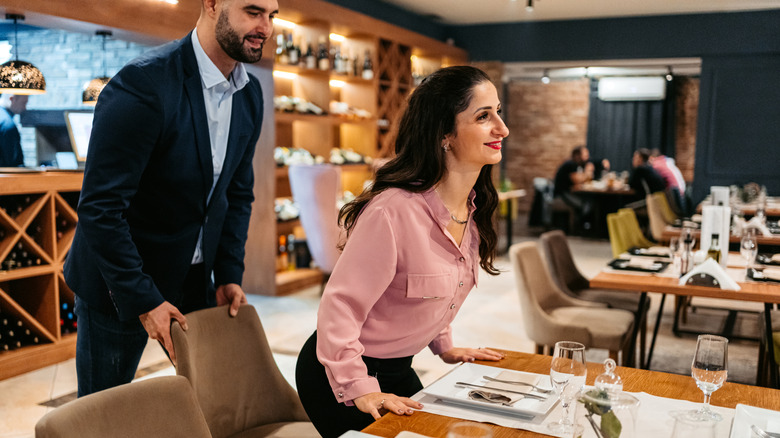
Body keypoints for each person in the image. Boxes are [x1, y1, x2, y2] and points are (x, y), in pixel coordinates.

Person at [63, 0, 277, 397]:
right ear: (212, 4)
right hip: (120, 279)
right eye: (253, 11)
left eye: (272, 15)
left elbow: (236, 193)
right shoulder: (143, 84)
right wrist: (145, 299)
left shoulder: (250, 96)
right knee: (101, 414)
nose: (265, 27)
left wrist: (229, 273)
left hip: (194, 278)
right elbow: (100, 208)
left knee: (211, 401)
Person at [295, 66, 508, 438]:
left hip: (396, 367)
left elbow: (429, 291)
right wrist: (359, 388)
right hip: (341, 375)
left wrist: (444, 345)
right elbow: (340, 305)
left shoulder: (472, 209)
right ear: (445, 133)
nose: (501, 129)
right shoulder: (392, 211)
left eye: (498, 113)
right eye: (483, 116)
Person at [553, 145, 609, 230]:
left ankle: (585, 225)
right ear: (578, 155)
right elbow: (576, 181)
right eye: (585, 153)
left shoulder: (577, 165)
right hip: (562, 193)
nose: (587, 155)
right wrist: (587, 172)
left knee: (590, 201)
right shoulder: (570, 164)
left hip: (570, 192)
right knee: (584, 204)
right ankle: (580, 226)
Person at [0, 93, 28, 167]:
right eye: (23, 103)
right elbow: (13, 162)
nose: (25, 108)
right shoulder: (7, 124)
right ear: (12, 99)